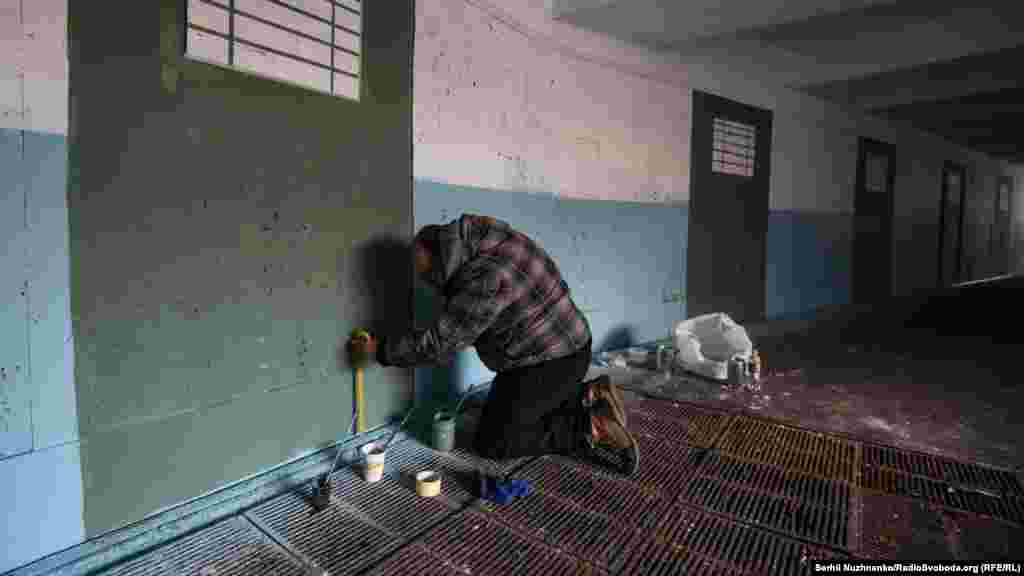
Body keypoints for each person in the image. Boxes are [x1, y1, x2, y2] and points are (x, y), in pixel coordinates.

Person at [353, 214, 639, 476]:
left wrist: (381, 350)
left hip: (549, 363)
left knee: (495, 441)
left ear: (441, 257)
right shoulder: (485, 236)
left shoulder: (482, 278)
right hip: (570, 344)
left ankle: (590, 427)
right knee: (513, 412)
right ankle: (587, 393)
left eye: (429, 275)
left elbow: (441, 343)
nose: (429, 283)